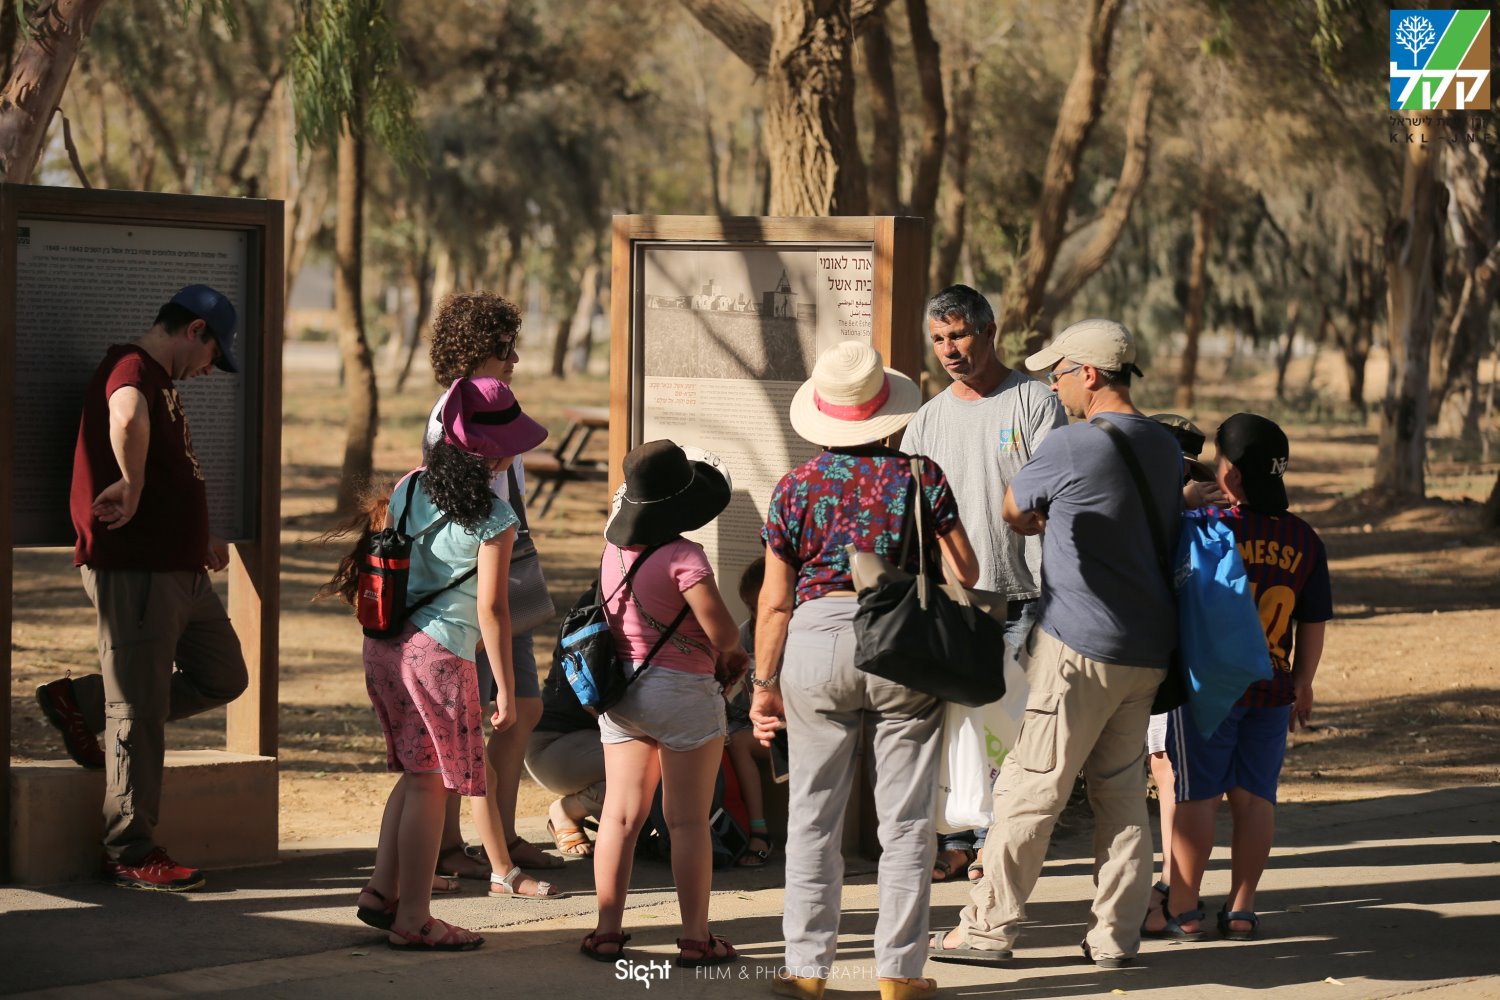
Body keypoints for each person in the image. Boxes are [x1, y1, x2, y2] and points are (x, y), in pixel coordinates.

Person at [932, 318, 1182, 970]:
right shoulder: (1160, 444)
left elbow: (1014, 509)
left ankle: (985, 929)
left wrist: (1045, 511)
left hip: (1078, 646)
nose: (1054, 382)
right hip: (1146, 650)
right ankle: (1114, 937)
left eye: (1061, 371)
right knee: (1122, 794)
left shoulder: (1075, 444)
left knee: (1029, 786)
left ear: (1090, 375)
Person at [751, 340, 980, 1000]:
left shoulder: (795, 488)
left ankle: (806, 970)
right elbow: (965, 569)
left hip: (816, 640)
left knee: (812, 815)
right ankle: (899, 975)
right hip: (903, 641)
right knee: (905, 821)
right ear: (887, 410)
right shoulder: (920, 475)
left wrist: (764, 688)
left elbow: (772, 601)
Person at [36, 285, 249, 892]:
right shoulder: (131, 368)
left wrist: (198, 536)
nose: (211, 369)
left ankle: (77, 702)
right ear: (195, 331)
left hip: (178, 567)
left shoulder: (162, 379)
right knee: (140, 709)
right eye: (214, 354)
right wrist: (129, 482)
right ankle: (129, 847)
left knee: (224, 675)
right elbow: (125, 415)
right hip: (135, 568)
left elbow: (169, 467)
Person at [326, 376, 550, 949]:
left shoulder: (409, 486)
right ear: (489, 451)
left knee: (416, 774)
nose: (515, 453)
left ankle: (381, 892)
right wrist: (503, 685)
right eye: (510, 444)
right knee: (432, 785)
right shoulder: (496, 518)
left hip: (385, 646)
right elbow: (495, 610)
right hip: (440, 657)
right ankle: (415, 918)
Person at [903, 284, 1066, 885]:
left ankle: (998, 843)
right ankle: (960, 840)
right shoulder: (927, 419)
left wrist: (1058, 591)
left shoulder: (1033, 404)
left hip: (1022, 594)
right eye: (939, 339)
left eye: (959, 335)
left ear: (989, 331)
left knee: (1010, 727)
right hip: (951, 599)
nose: (949, 349)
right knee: (960, 725)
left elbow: (1054, 500)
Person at [1161, 413, 1331, 942]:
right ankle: (1241, 908)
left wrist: (1183, 500)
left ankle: (1184, 907)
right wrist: (1302, 681)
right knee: (1256, 797)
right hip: (1274, 686)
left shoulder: (1208, 526)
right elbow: (1314, 620)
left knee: (1195, 797)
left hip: (1208, 689)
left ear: (1229, 476)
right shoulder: (1304, 538)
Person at [581, 440, 750, 967]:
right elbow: (721, 632)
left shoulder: (613, 551)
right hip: (683, 697)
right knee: (687, 821)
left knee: (620, 817)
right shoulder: (685, 556)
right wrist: (736, 656)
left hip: (625, 694)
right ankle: (696, 938)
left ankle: (607, 931)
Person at [421, 291, 564, 893]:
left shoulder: (496, 409)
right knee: (473, 722)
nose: (513, 360)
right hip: (475, 593)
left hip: (511, 579)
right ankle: (455, 847)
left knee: (523, 708)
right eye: (504, 349)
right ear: (474, 350)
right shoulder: (451, 419)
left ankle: (498, 834)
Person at [1141, 412, 1224, 934]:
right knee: (1168, 772)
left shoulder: (1171, 513)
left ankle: (1175, 889)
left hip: (1170, 663)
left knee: (1170, 773)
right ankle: (1173, 882)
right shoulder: (1202, 511)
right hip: (1193, 661)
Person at [525, 646, 606, 857]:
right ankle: (567, 811)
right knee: (647, 766)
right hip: (552, 746)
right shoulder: (590, 624)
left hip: (593, 741)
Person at [725, 556, 771, 867]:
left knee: (740, 742)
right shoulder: (747, 632)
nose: (755, 616)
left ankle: (759, 830)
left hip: (789, 724)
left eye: (761, 607)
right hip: (749, 717)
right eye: (750, 608)